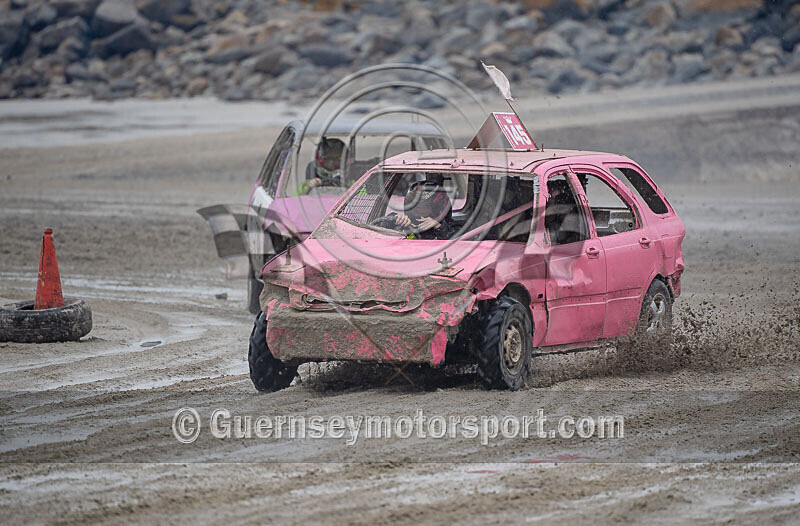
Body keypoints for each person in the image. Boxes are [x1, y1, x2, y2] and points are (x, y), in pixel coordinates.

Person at [395, 173, 454, 240]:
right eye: (412, 206)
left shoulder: (450, 228)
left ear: (436, 209)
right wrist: (395, 219)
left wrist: (438, 226)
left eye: (422, 207)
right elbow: (385, 224)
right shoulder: (404, 223)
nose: (416, 210)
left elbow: (453, 238)